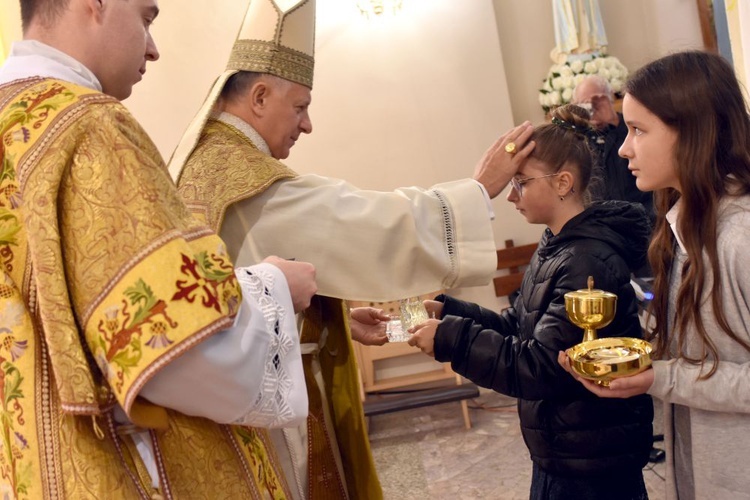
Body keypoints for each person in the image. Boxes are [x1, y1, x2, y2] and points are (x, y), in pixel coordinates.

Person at [169, 1, 533, 498]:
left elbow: (251, 279)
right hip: (268, 414)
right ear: (258, 96)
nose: (307, 124)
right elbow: (374, 223)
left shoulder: (202, 163)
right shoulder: (248, 182)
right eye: (299, 106)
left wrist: (335, 316)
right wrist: (476, 189)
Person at [0, 0, 321, 497]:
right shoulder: (92, 128)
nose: (153, 48)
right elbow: (172, 351)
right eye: (146, 18)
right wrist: (274, 286)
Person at [408, 104, 654, 500]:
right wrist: (450, 311)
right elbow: (521, 326)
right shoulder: (558, 245)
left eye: (520, 182)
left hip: (592, 459)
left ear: (562, 183)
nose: (510, 196)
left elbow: (541, 366)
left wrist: (450, 338)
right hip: (563, 448)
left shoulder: (586, 260)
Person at [560, 50, 750, 500]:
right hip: (703, 469)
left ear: (693, 133)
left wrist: (659, 377)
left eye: (639, 130)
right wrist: (620, 353)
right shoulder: (684, 225)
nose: (624, 147)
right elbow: (701, 344)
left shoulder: (739, 238)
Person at [573, 75, 654, 221]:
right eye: (585, 105)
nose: (592, 108)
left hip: (643, 217)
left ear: (609, 97)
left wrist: (613, 121)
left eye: (597, 101)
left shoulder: (630, 127)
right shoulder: (577, 140)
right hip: (600, 224)